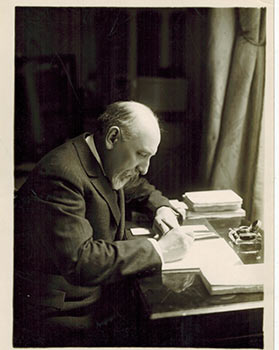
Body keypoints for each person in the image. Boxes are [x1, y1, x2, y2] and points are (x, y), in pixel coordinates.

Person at [14, 101, 193, 346]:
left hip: (97, 296)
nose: (144, 168)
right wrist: (160, 249)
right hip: (62, 316)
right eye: (141, 154)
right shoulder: (62, 175)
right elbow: (81, 260)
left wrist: (160, 207)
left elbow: (137, 187)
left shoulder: (102, 158)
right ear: (112, 137)